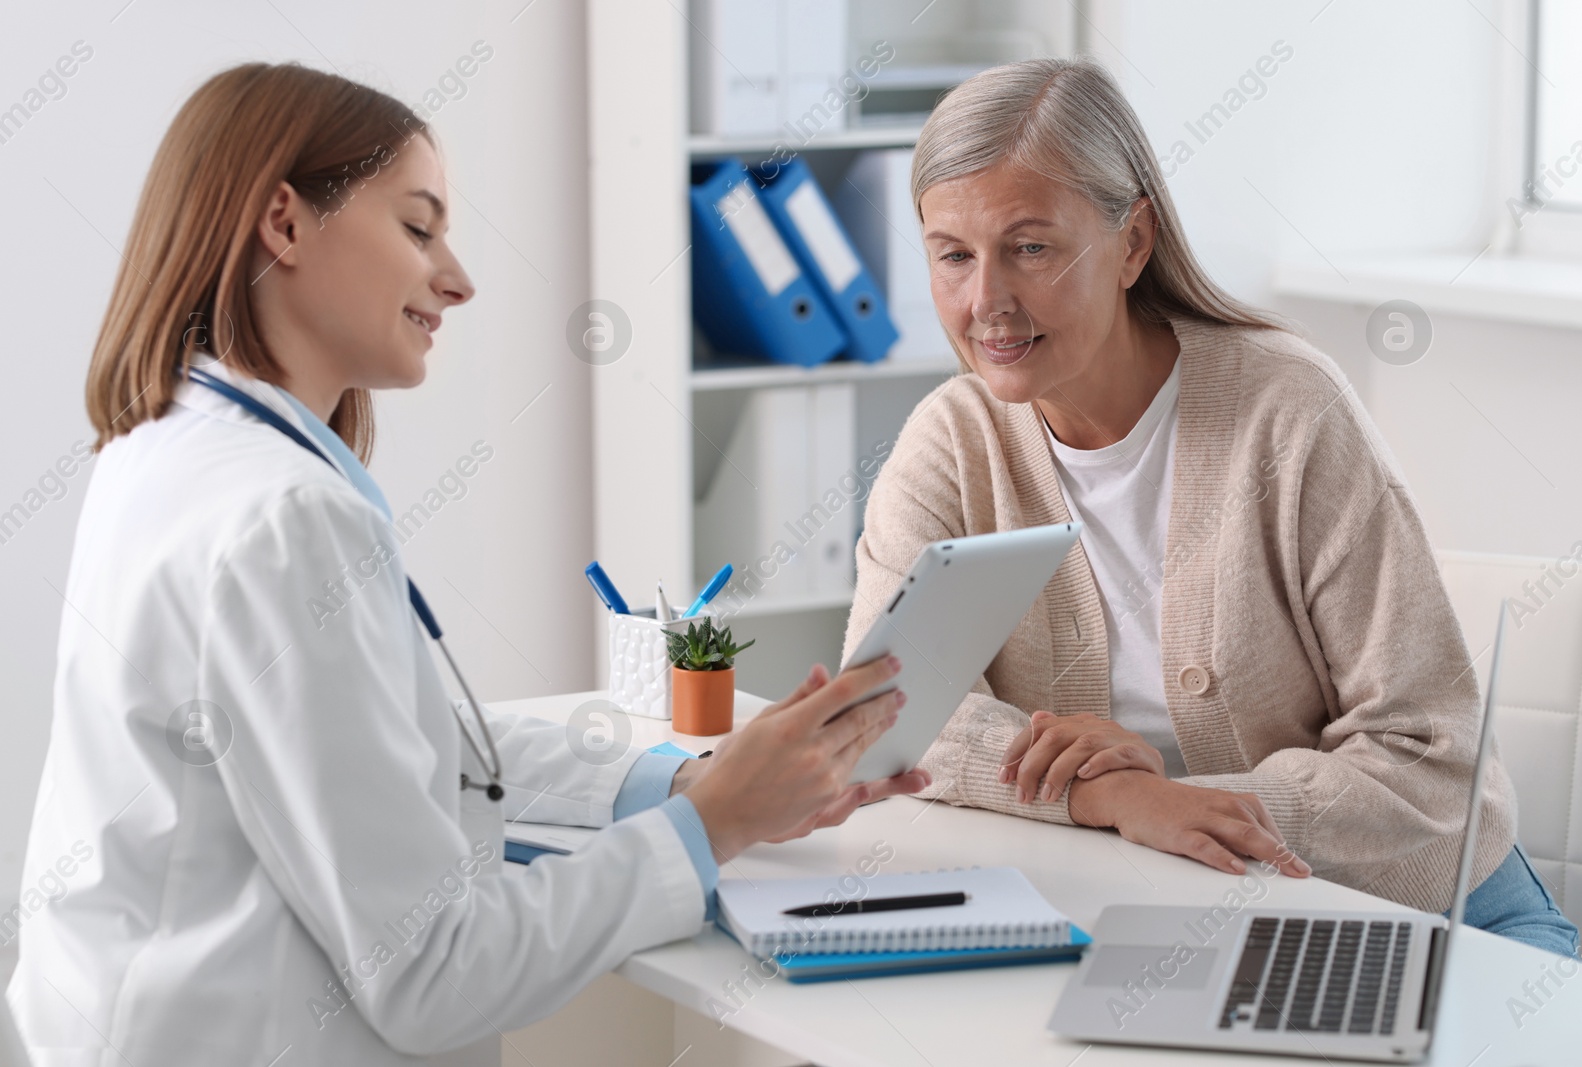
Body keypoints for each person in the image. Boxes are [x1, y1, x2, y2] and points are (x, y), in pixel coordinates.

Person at [7, 63, 929, 1066]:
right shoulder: (284, 517)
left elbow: (406, 747)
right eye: (417, 226)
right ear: (283, 222)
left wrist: (692, 781)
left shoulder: (169, 445)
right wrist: (708, 825)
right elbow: (429, 971)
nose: (458, 277)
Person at [843, 56, 1579, 957]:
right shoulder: (948, 443)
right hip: (1152, 908)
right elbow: (880, 714)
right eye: (953, 255)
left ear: (1133, 242)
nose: (986, 301)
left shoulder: (1289, 411)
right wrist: (1110, 796)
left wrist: (1188, 807)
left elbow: (1428, 757)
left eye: (1030, 247)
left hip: (1431, 910)